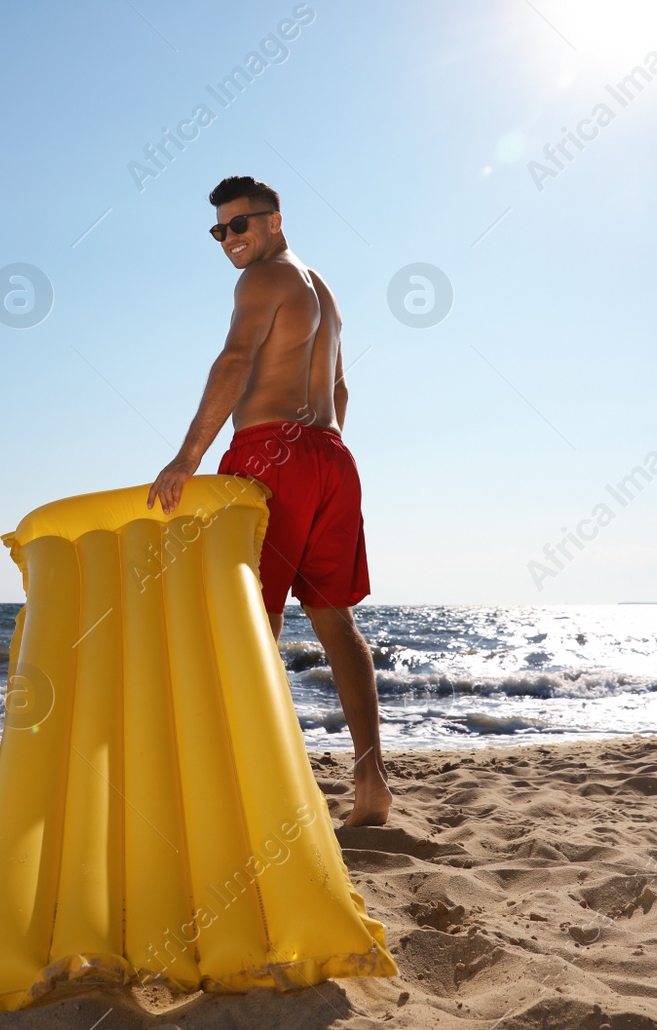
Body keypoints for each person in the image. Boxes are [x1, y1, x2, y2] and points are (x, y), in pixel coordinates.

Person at [146, 175, 391, 827]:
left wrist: (187, 457)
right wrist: (317, 457)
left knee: (250, 621)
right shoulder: (323, 290)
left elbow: (233, 361)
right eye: (219, 230)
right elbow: (340, 389)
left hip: (268, 455)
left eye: (240, 225)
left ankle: (262, 787)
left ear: (274, 220)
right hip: (332, 459)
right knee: (334, 623)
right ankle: (371, 788)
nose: (229, 239)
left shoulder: (260, 280)